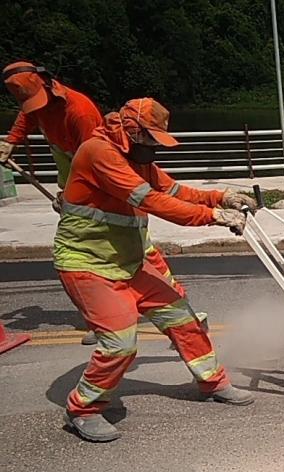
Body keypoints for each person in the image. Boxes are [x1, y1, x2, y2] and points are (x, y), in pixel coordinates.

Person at [56, 97, 257, 442]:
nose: (153, 148)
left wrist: (220, 198)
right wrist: (212, 218)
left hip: (130, 262)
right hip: (89, 265)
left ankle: (213, 382)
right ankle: (83, 409)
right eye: (149, 139)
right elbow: (150, 201)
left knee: (184, 320)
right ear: (131, 131)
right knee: (120, 344)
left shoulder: (136, 157)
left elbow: (173, 189)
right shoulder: (99, 153)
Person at [0, 61, 206, 346]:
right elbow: (29, 116)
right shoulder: (41, 107)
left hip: (106, 188)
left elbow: (98, 165)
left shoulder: (79, 112)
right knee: (124, 256)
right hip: (82, 187)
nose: (32, 109)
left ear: (48, 85)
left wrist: (74, 197)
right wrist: (12, 141)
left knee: (141, 252)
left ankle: (177, 311)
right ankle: (114, 318)